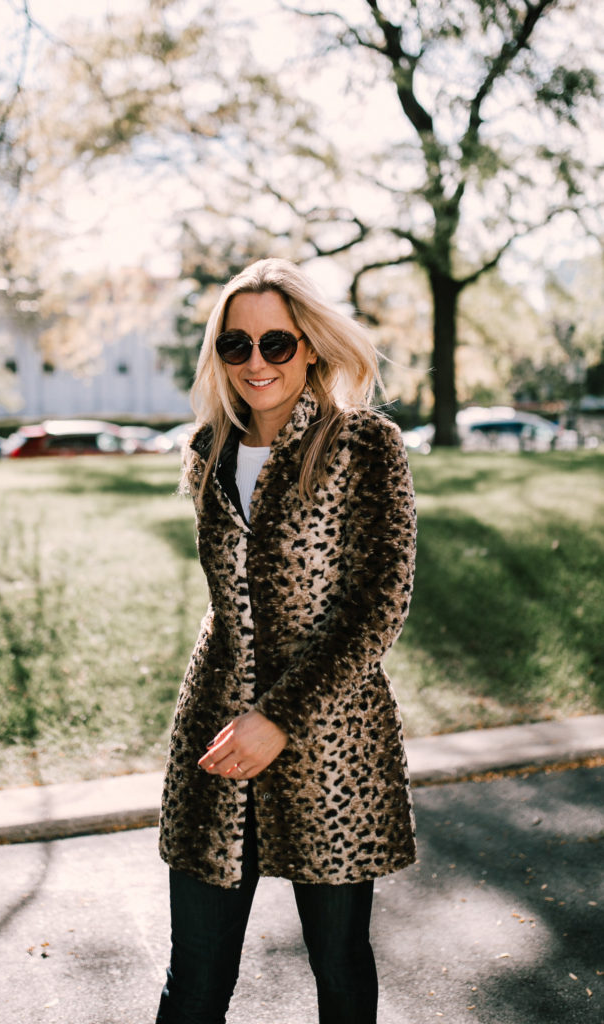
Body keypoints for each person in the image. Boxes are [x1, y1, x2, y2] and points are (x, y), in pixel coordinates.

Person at [156, 258, 417, 1024]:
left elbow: (379, 603)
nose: (256, 362)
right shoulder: (207, 451)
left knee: (338, 977)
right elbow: (226, 601)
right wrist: (238, 711)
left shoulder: (365, 444)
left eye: (276, 343)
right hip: (217, 737)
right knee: (194, 986)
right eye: (236, 345)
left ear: (308, 345)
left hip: (331, 742)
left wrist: (281, 716)